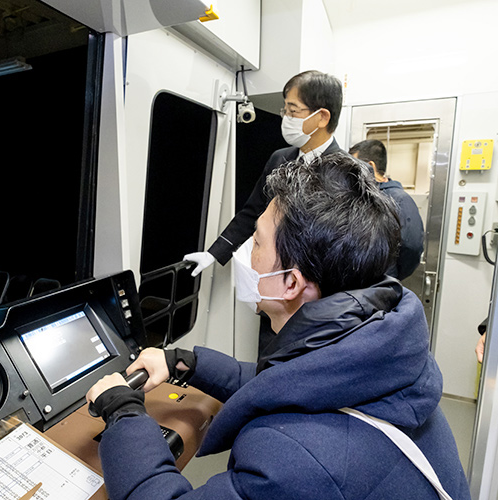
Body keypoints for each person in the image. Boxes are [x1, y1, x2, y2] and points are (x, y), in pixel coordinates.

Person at [86, 153, 471, 500]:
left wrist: (123, 413)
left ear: (291, 283)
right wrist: (182, 363)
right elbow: (281, 384)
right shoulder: (381, 357)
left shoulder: (295, 461)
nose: (243, 253)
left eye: (255, 242)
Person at [183, 70, 346, 276]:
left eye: (293, 111)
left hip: (315, 282)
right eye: (285, 110)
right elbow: (253, 212)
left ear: (322, 117)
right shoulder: (279, 158)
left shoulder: (348, 173)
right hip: (271, 276)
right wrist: (214, 253)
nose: (286, 118)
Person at [350, 139, 425, 281]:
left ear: (370, 166)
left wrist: (392, 275)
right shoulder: (361, 197)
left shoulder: (399, 200)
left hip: (381, 284)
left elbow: (412, 246)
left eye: (354, 167)